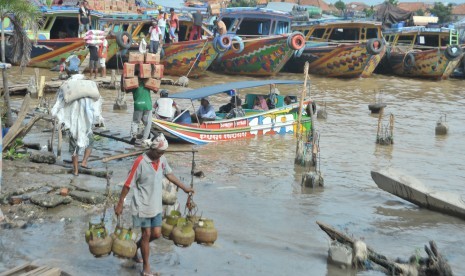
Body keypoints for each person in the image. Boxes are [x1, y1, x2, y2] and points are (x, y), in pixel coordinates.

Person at [114, 133, 194, 276]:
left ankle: (135, 248)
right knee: (146, 235)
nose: (161, 155)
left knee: (156, 234)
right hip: (142, 205)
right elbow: (127, 185)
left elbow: (169, 174)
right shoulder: (140, 162)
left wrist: (184, 187)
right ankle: (146, 267)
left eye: (163, 152)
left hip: (156, 205)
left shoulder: (162, 159)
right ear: (152, 149)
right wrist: (120, 203)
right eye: (159, 152)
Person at [122, 64, 153, 144]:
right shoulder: (147, 84)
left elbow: (124, 90)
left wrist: (123, 78)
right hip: (148, 105)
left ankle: (134, 136)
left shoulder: (133, 85)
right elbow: (155, 88)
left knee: (135, 122)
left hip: (138, 105)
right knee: (147, 123)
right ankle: (145, 139)